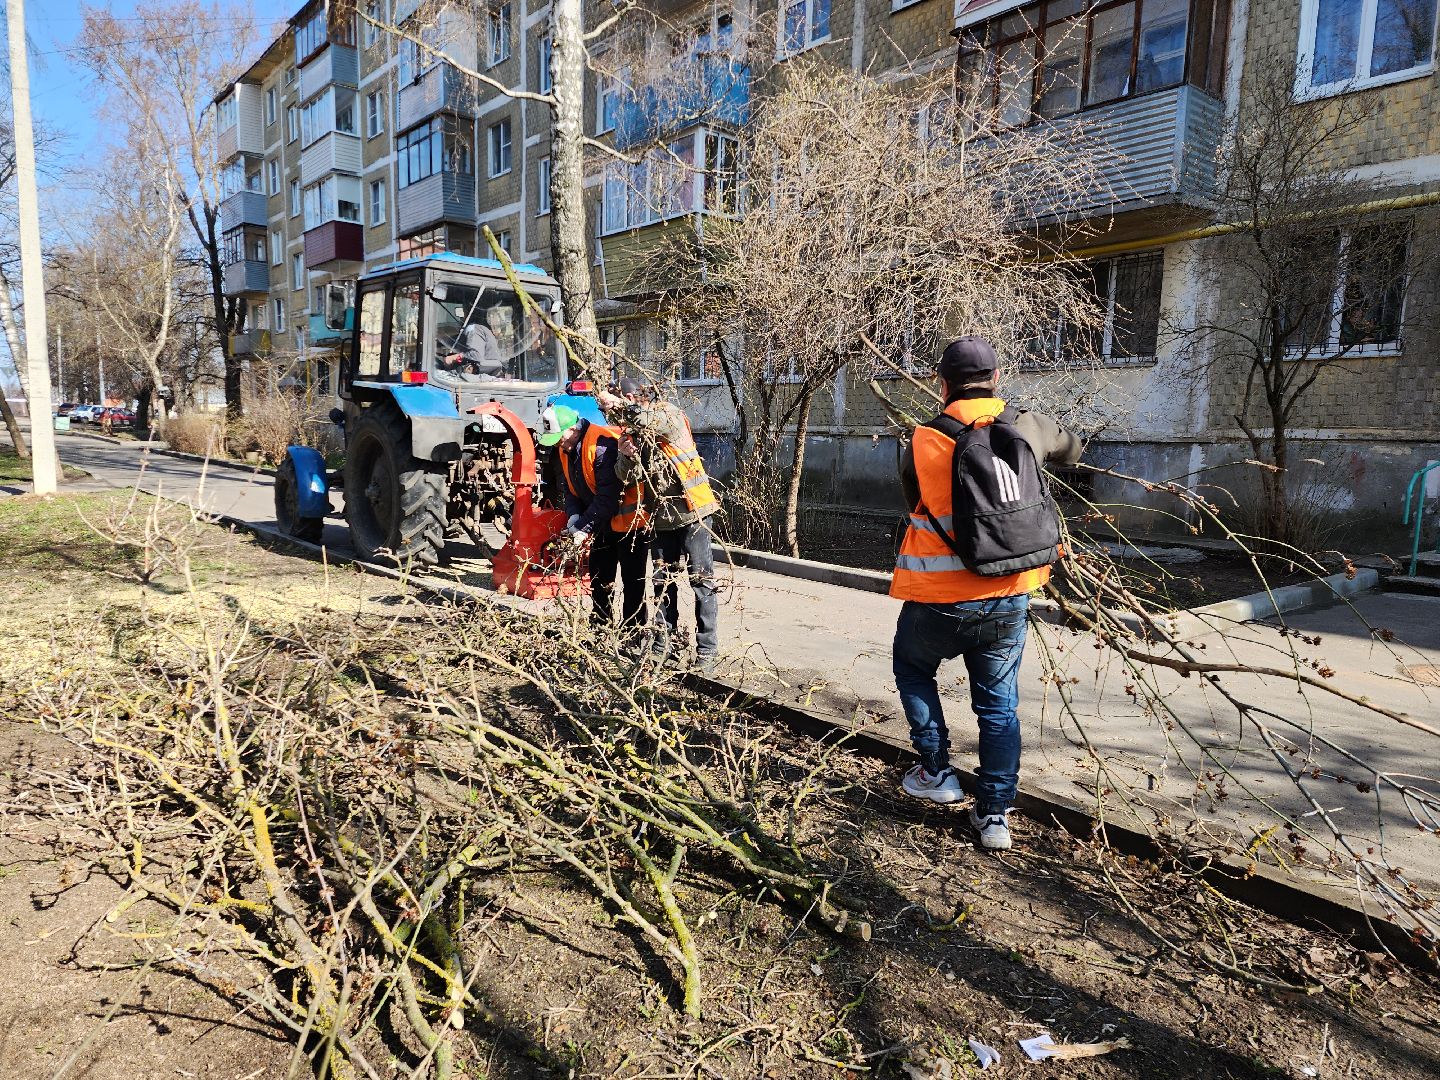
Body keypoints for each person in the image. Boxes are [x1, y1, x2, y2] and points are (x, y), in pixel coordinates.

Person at [891, 336, 1082, 851]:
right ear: (997, 378)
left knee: (912, 669)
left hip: (938, 596)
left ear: (941, 383)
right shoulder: (1026, 424)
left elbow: (916, 504)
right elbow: (1074, 450)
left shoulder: (922, 439)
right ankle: (994, 814)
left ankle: (937, 772)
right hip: (1009, 593)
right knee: (998, 707)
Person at [597, 378, 721, 669]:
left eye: (622, 402)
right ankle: (663, 644)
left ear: (633, 396)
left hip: (694, 513)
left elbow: (643, 418)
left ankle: (707, 651)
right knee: (663, 584)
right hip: (662, 519)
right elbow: (626, 476)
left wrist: (619, 405)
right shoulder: (632, 434)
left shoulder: (667, 414)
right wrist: (627, 456)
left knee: (701, 582)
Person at [537, 403, 650, 634]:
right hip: (602, 522)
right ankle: (601, 627)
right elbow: (569, 487)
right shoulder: (566, 448)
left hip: (629, 524)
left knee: (632, 581)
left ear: (573, 429)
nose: (558, 443)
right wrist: (574, 515)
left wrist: (582, 526)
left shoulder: (602, 446)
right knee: (600, 576)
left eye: (560, 437)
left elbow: (608, 499)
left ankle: (634, 633)